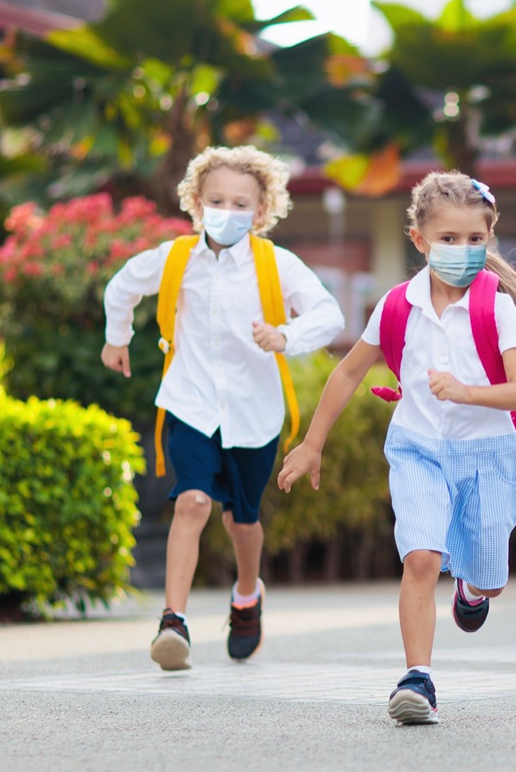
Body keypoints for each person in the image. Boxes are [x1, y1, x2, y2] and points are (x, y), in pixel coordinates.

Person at [277, 171, 516, 726]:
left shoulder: (496, 307)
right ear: (420, 240)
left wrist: (467, 391)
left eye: (475, 240)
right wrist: (312, 443)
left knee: (490, 575)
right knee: (422, 557)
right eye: (449, 240)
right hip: (418, 448)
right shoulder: (397, 305)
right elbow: (349, 372)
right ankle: (417, 680)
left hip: (489, 456)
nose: (463, 250)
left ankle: (473, 593)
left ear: (489, 238)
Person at [101, 146, 345, 672]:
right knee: (191, 502)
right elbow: (121, 287)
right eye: (217, 200)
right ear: (195, 202)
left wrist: (286, 335)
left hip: (254, 413)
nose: (227, 211)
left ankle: (246, 595)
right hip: (189, 403)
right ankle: (174, 622)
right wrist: (115, 338)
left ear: (261, 212)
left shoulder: (275, 264)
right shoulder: (174, 259)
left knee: (241, 521)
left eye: (241, 203)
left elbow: (328, 313)